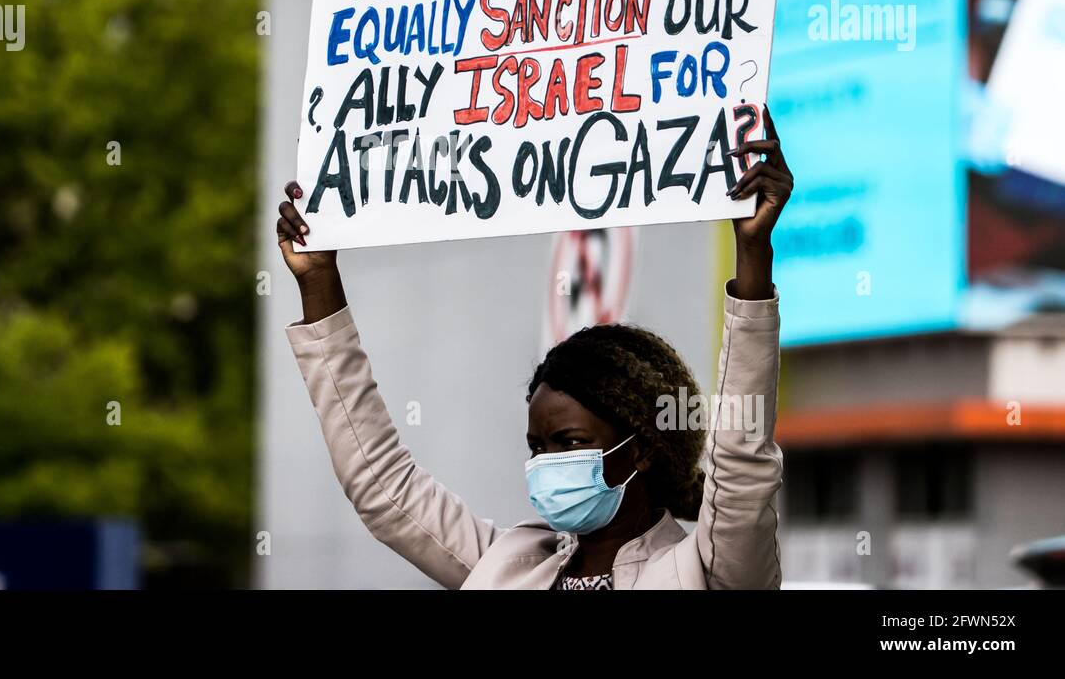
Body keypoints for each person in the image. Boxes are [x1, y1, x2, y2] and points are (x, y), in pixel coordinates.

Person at [275, 107, 793, 590]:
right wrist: (318, 282)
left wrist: (752, 253)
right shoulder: (510, 564)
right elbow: (383, 487)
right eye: (537, 447)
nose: (545, 466)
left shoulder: (706, 570)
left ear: (640, 451)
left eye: (567, 443)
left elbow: (742, 462)